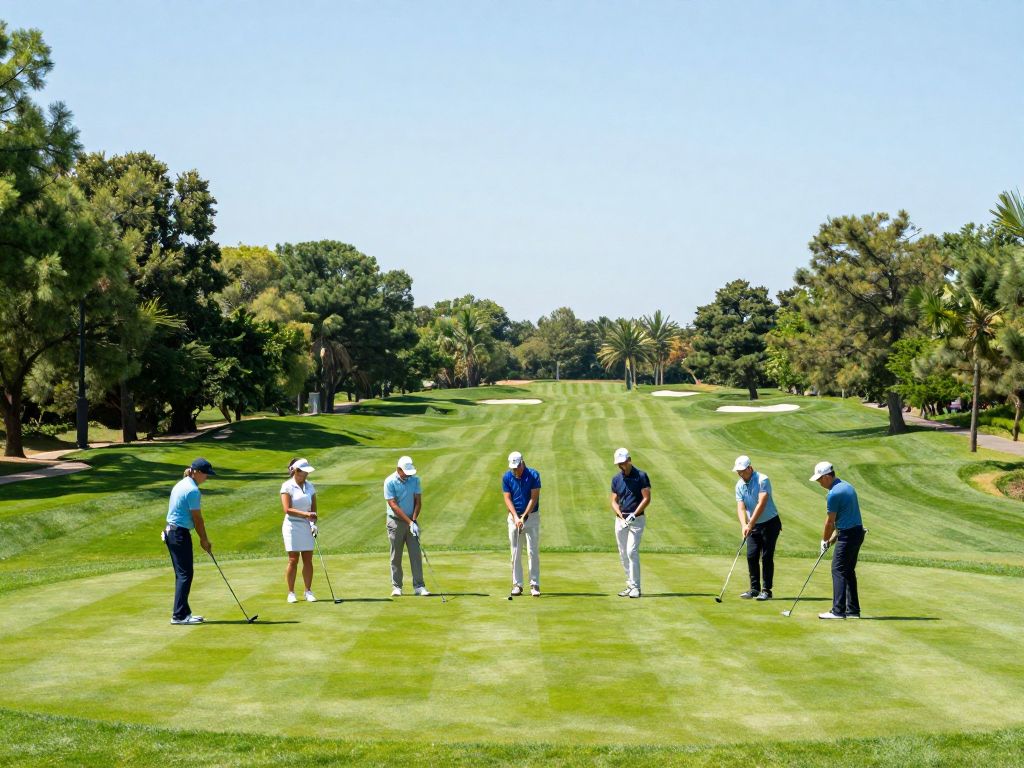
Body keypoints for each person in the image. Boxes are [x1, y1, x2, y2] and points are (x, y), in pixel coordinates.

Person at [810, 460, 866, 619]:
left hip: (848, 535)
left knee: (838, 570)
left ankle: (838, 611)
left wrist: (824, 540)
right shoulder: (847, 486)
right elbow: (842, 522)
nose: (819, 482)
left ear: (827, 476)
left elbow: (830, 522)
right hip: (856, 533)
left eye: (820, 479)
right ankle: (853, 610)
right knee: (848, 571)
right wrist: (830, 541)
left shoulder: (834, 494)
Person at [164, 458, 216, 625]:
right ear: (197, 472)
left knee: (183, 574)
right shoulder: (193, 490)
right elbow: (198, 519)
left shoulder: (182, 483)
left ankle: (184, 612)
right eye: (206, 474)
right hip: (178, 534)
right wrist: (204, 540)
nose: (207, 478)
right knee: (185, 575)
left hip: (173, 533)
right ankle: (179, 616)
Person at [732, 455, 782, 601]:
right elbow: (741, 508)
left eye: (742, 470)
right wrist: (743, 525)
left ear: (750, 468)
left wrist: (751, 523)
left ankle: (767, 590)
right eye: (738, 471)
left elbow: (762, 503)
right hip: (753, 525)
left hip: (770, 523)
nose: (740, 474)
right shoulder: (739, 485)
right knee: (751, 555)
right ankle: (754, 589)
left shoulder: (762, 480)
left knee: (766, 556)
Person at [384, 455, 430, 596]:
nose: (408, 475)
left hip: (411, 520)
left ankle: (419, 586)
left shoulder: (415, 480)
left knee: (415, 554)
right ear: (399, 469)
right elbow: (393, 505)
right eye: (405, 472)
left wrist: (414, 521)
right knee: (396, 555)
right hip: (395, 522)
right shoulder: (389, 481)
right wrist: (409, 522)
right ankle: (397, 587)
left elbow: (418, 502)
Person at [610, 447, 650, 598]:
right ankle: (629, 584)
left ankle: (636, 587)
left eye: (623, 463)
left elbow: (647, 498)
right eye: (619, 464)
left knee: (631, 551)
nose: (621, 466)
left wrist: (634, 514)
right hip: (620, 520)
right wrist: (619, 514)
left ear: (629, 460)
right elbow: (613, 500)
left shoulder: (641, 476)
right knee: (623, 553)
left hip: (637, 520)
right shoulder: (616, 479)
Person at [502, 451, 542, 596]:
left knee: (532, 551)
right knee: (515, 552)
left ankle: (535, 584)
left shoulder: (533, 475)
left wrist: (524, 516)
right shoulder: (507, 477)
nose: (515, 470)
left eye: (517, 467)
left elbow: (534, 498)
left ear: (522, 463)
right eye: (512, 468)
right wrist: (515, 517)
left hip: (531, 517)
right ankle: (517, 585)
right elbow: (507, 498)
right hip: (513, 518)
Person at [280, 457, 318, 603]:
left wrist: (313, 522)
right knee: (293, 559)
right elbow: (287, 509)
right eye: (304, 472)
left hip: (307, 526)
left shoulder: (310, 486)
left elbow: (314, 508)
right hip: (292, 526)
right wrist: (306, 515)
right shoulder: (287, 486)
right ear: (296, 471)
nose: (306, 475)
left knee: (308, 559)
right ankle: (291, 592)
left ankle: (308, 591)